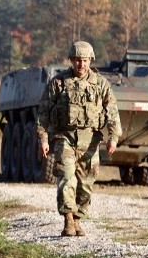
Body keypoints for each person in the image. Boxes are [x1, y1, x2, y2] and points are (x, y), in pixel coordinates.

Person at [38, 40, 121, 237]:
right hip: (64, 138)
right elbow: (43, 113)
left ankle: (77, 219)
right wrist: (43, 139)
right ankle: (67, 219)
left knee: (86, 184)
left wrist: (114, 136)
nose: (80, 65)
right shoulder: (58, 83)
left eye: (84, 60)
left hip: (90, 140)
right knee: (66, 178)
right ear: (71, 60)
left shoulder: (100, 84)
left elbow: (112, 111)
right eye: (76, 60)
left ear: (90, 60)